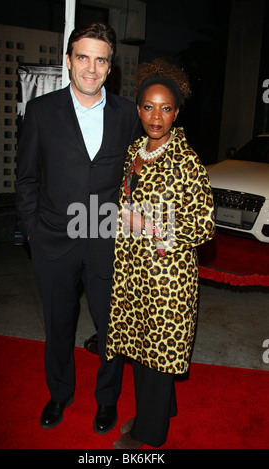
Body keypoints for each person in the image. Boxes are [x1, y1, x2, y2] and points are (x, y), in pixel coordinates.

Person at [15, 22, 141, 434]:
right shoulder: (40, 111)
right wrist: (32, 229)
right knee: (58, 326)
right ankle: (60, 394)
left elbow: (139, 178)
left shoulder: (128, 114)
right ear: (68, 61)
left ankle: (106, 401)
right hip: (53, 238)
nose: (91, 67)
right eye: (83, 57)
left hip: (108, 239)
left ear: (110, 67)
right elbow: (27, 178)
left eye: (100, 59)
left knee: (112, 329)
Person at [106, 58, 215, 449]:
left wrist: (149, 227)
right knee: (142, 348)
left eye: (165, 108)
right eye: (149, 107)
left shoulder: (187, 162)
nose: (156, 116)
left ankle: (150, 433)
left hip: (168, 278)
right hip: (136, 270)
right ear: (138, 109)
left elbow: (204, 227)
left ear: (176, 113)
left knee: (157, 353)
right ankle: (161, 408)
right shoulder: (137, 149)